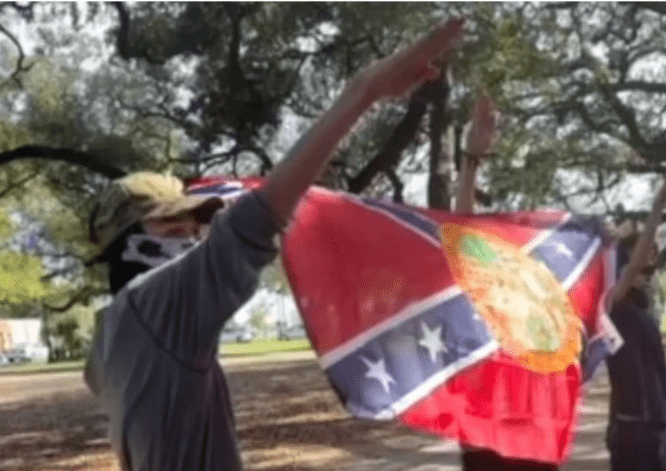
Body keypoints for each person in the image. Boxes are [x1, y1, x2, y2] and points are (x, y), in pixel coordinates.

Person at [83, 18, 465, 471]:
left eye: (193, 229)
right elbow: (257, 217)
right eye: (172, 229)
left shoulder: (107, 338)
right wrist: (363, 91)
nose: (191, 240)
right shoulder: (157, 303)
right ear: (129, 243)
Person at [454, 91, 558, 471]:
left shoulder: (544, 313)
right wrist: (471, 160)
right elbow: (461, 231)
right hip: (486, 446)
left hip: (534, 443)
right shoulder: (479, 301)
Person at [604, 163, 666, 471]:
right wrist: (659, 204)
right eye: (643, 253)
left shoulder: (643, 310)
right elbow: (633, 265)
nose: (649, 261)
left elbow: (653, 369)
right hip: (631, 430)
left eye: (653, 255)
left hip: (656, 428)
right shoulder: (613, 304)